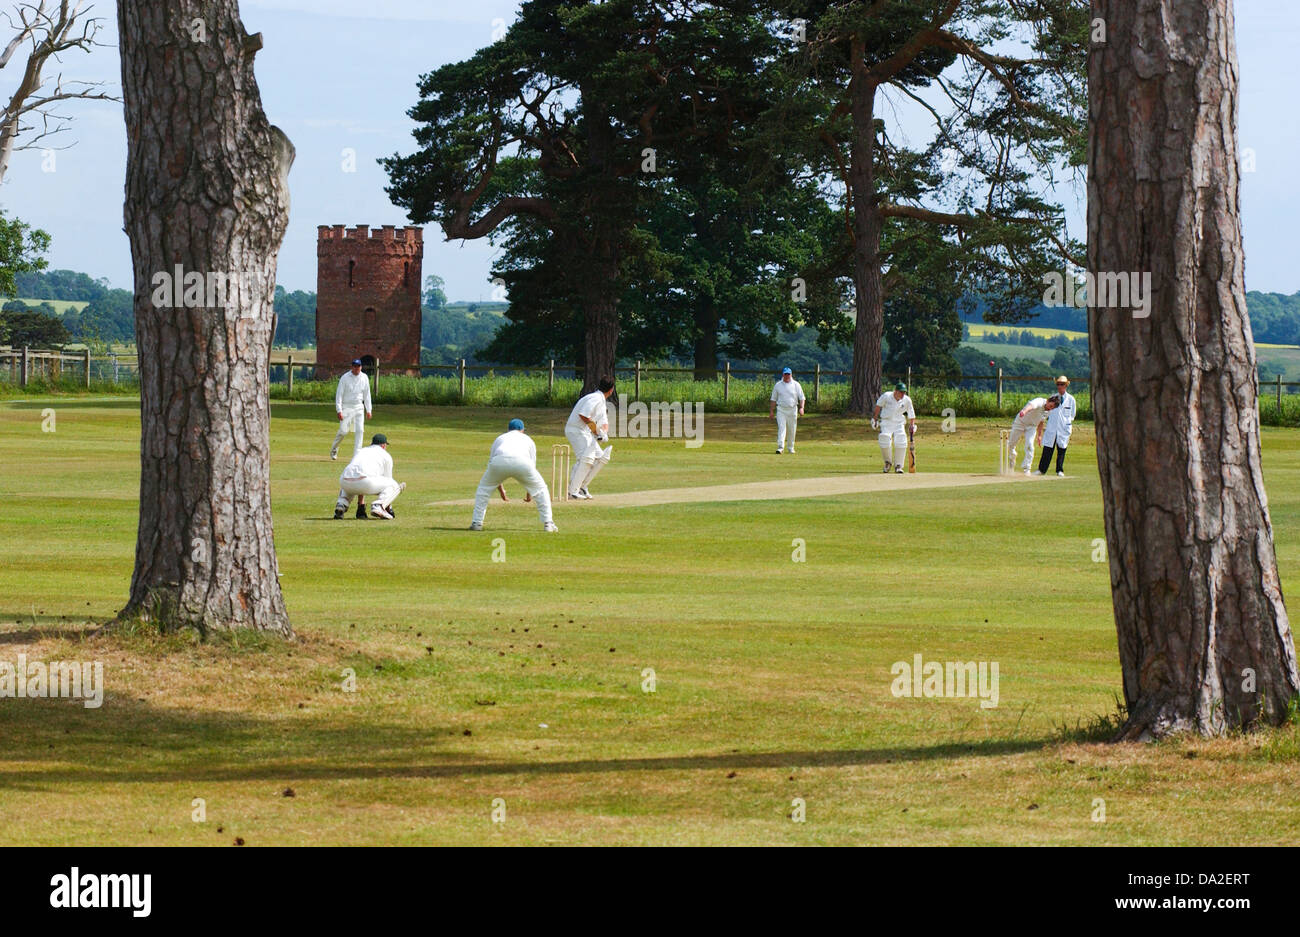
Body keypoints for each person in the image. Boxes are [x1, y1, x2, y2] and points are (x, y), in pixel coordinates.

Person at [469, 419, 557, 532]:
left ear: (508, 430)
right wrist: (530, 492)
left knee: (483, 490)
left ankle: (477, 523)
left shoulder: (500, 438)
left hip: (499, 461)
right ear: (523, 430)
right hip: (523, 462)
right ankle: (548, 524)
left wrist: (501, 491)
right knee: (541, 490)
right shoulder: (528, 439)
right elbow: (532, 468)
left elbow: (492, 465)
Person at [564, 376, 615, 499]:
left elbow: (604, 422)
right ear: (611, 390)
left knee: (601, 458)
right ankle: (572, 491)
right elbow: (584, 415)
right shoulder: (595, 398)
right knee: (586, 459)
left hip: (585, 432)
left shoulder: (601, 402)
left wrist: (604, 433)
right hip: (576, 430)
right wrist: (596, 432)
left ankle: (582, 487)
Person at [333, 433, 403, 520]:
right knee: (394, 485)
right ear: (384, 445)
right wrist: (388, 507)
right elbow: (388, 480)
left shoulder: (361, 451)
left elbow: (358, 477)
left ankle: (342, 503)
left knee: (351, 479)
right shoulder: (386, 456)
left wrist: (361, 506)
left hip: (344, 481)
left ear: (372, 444)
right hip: (365, 482)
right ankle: (379, 506)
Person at [330, 358, 373, 462]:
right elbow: (339, 395)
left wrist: (369, 410)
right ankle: (334, 448)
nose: (356, 368)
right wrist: (339, 410)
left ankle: (356, 456)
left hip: (359, 407)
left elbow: (367, 395)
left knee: (360, 431)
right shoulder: (345, 378)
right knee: (343, 431)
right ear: (351, 367)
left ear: (361, 367)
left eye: (358, 366)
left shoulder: (364, 378)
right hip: (347, 406)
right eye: (354, 366)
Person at [1008, 394, 1059, 475]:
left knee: (1030, 446)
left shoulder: (1048, 411)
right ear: (1048, 400)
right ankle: (1012, 458)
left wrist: (1039, 436)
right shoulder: (1039, 401)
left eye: (1052, 408)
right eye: (1050, 405)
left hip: (1032, 426)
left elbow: (1041, 422)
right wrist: (1024, 411)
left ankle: (1027, 469)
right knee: (1011, 444)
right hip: (1020, 422)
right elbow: (1031, 406)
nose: (1050, 408)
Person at [872, 382, 917, 474]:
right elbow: (878, 406)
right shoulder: (886, 396)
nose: (903, 394)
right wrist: (875, 419)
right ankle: (888, 463)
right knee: (884, 438)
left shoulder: (907, 400)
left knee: (901, 440)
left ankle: (899, 466)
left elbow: (911, 414)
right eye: (901, 392)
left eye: (904, 392)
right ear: (895, 391)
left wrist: (912, 425)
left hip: (899, 423)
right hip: (886, 421)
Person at [1037, 375, 1077, 476]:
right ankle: (1041, 470)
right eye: (1058, 384)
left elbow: (1072, 415)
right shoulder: (1052, 397)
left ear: (1066, 385)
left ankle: (1060, 470)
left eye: (1062, 384)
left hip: (1064, 428)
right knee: (1047, 449)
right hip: (1052, 427)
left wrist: (1065, 423)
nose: (1059, 386)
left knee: (1062, 449)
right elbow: (1046, 411)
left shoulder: (1071, 400)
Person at [769, 367, 806, 454]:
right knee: (782, 428)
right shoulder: (778, 385)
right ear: (783, 374)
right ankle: (780, 447)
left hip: (792, 410)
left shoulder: (796, 385)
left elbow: (802, 398)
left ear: (791, 374)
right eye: (785, 374)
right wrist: (771, 411)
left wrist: (801, 408)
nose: (787, 376)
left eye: (788, 374)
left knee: (792, 429)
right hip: (781, 410)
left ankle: (791, 447)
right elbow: (773, 399)